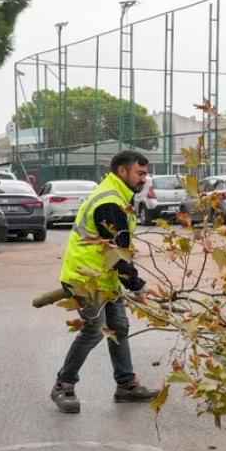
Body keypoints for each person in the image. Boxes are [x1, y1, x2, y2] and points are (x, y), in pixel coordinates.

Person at [50, 150, 158, 413]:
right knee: (95, 330)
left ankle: (126, 385)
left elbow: (116, 250)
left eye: (145, 173)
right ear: (123, 171)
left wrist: (130, 282)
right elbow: (116, 255)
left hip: (103, 277)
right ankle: (63, 385)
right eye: (140, 173)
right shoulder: (110, 202)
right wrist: (138, 285)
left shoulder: (118, 195)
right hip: (85, 278)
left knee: (118, 326)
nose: (144, 178)